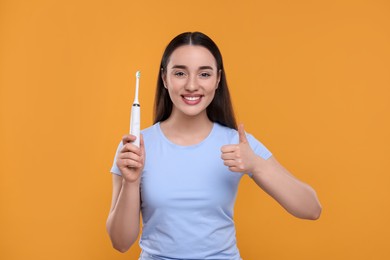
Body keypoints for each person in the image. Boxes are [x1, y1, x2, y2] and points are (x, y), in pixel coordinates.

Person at [106, 31, 322, 260]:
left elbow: (311, 209)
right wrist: (131, 183)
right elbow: (120, 243)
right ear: (164, 78)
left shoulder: (237, 144)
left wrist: (257, 165)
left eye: (204, 74)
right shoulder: (135, 149)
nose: (191, 85)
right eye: (180, 73)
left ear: (218, 79)